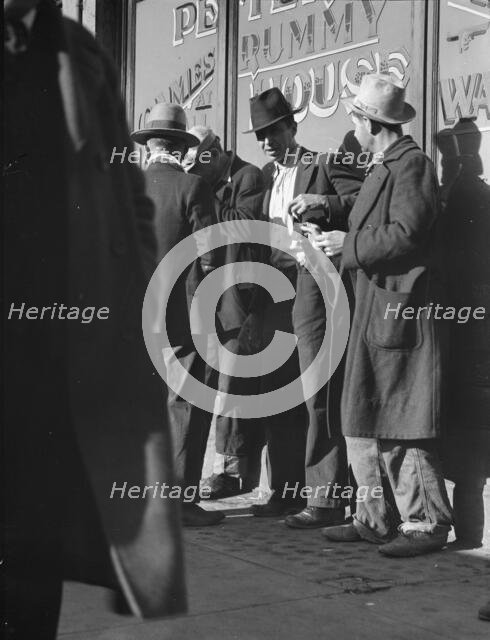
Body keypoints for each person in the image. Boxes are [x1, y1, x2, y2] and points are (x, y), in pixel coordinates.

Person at [3, 1, 185, 638]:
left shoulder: (79, 54)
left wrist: (128, 304)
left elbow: (126, 196)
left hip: (56, 353)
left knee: (32, 548)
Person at [320, 73, 454, 556]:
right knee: (362, 417)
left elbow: (406, 233)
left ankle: (426, 524)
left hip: (398, 308)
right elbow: (372, 212)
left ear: (369, 122)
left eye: (355, 118)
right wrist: (330, 209)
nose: (352, 128)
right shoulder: (388, 164)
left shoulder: (411, 165)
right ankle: (373, 518)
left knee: (400, 419)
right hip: (376, 307)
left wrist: (345, 244)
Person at [244, 88, 363, 523]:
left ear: (292, 127)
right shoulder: (264, 175)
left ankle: (326, 499)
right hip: (276, 291)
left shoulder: (324, 164)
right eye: (260, 134)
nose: (267, 141)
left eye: (274, 130)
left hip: (314, 286)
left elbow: (363, 206)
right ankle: (286, 490)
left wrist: (324, 203)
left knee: (317, 391)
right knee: (279, 394)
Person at [131, 104, 224, 527]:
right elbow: (210, 257)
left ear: (149, 146)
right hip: (178, 315)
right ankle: (181, 503)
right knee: (183, 403)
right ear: (181, 146)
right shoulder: (194, 187)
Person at [184, 126, 266, 498]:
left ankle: (229, 473)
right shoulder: (207, 183)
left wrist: (201, 195)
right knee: (210, 386)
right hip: (209, 298)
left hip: (237, 300)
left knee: (232, 385)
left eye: (200, 167)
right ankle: (208, 468)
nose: (197, 177)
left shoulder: (248, 175)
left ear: (215, 152)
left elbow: (241, 227)